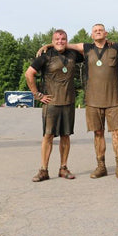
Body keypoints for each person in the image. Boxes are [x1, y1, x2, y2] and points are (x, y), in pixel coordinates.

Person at [45, 24, 118, 181]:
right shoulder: (86, 48)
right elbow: (64, 44)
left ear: (106, 33)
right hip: (93, 101)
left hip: (113, 100)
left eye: (100, 30)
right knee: (98, 134)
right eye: (95, 30)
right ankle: (101, 167)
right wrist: (48, 45)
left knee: (117, 134)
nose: (98, 32)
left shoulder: (116, 48)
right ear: (92, 35)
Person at [25, 29, 83, 182]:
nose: (60, 41)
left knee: (66, 136)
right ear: (52, 40)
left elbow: (88, 48)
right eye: (57, 39)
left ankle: (63, 168)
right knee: (48, 136)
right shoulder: (45, 56)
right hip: (51, 103)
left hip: (68, 102)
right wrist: (37, 95)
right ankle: (43, 170)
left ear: (67, 40)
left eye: (63, 39)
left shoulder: (73, 55)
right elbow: (29, 73)